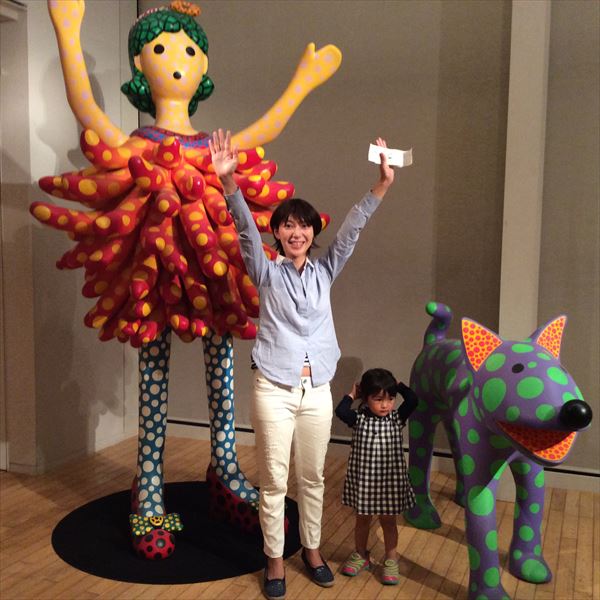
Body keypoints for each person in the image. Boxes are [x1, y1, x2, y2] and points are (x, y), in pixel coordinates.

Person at [209, 128, 396, 599]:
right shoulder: (266, 271)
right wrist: (229, 182)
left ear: (312, 233)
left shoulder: (325, 270)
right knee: (274, 482)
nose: (297, 233)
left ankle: (311, 550)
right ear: (278, 233)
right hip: (273, 389)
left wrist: (381, 184)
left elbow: (351, 230)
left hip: (316, 392)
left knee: (312, 478)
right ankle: (274, 558)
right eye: (288, 226)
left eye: (304, 226)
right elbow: (244, 230)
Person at [335, 368, 418, 585]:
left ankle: (391, 559)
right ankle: (361, 554)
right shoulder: (359, 418)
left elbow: (412, 400)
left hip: (389, 482)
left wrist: (398, 386)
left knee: (389, 522)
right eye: (378, 399)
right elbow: (341, 411)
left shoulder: (396, 418)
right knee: (362, 521)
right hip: (365, 482)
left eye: (390, 399)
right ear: (366, 397)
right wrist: (352, 394)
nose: (385, 405)